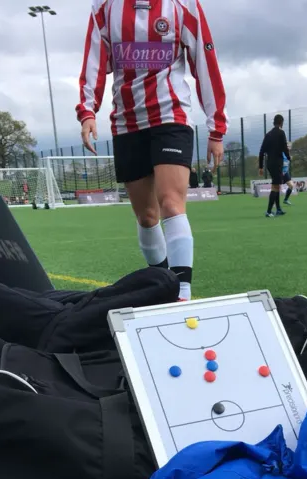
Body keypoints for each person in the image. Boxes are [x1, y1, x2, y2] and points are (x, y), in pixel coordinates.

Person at [76, 0, 227, 302]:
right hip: (127, 122)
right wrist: (87, 111)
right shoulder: (105, 8)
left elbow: (205, 64)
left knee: (171, 202)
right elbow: (93, 63)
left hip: (171, 116)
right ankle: (162, 285)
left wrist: (216, 127)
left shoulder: (183, 7)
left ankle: (182, 294)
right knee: (147, 217)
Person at [259, 114, 290, 218]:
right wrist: (289, 157)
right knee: (275, 187)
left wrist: (260, 166)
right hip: (277, 163)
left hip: (269, 163)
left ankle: (278, 209)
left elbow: (261, 151)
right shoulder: (281, 133)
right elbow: (285, 148)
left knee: (277, 185)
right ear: (281, 122)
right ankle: (268, 211)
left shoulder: (268, 135)